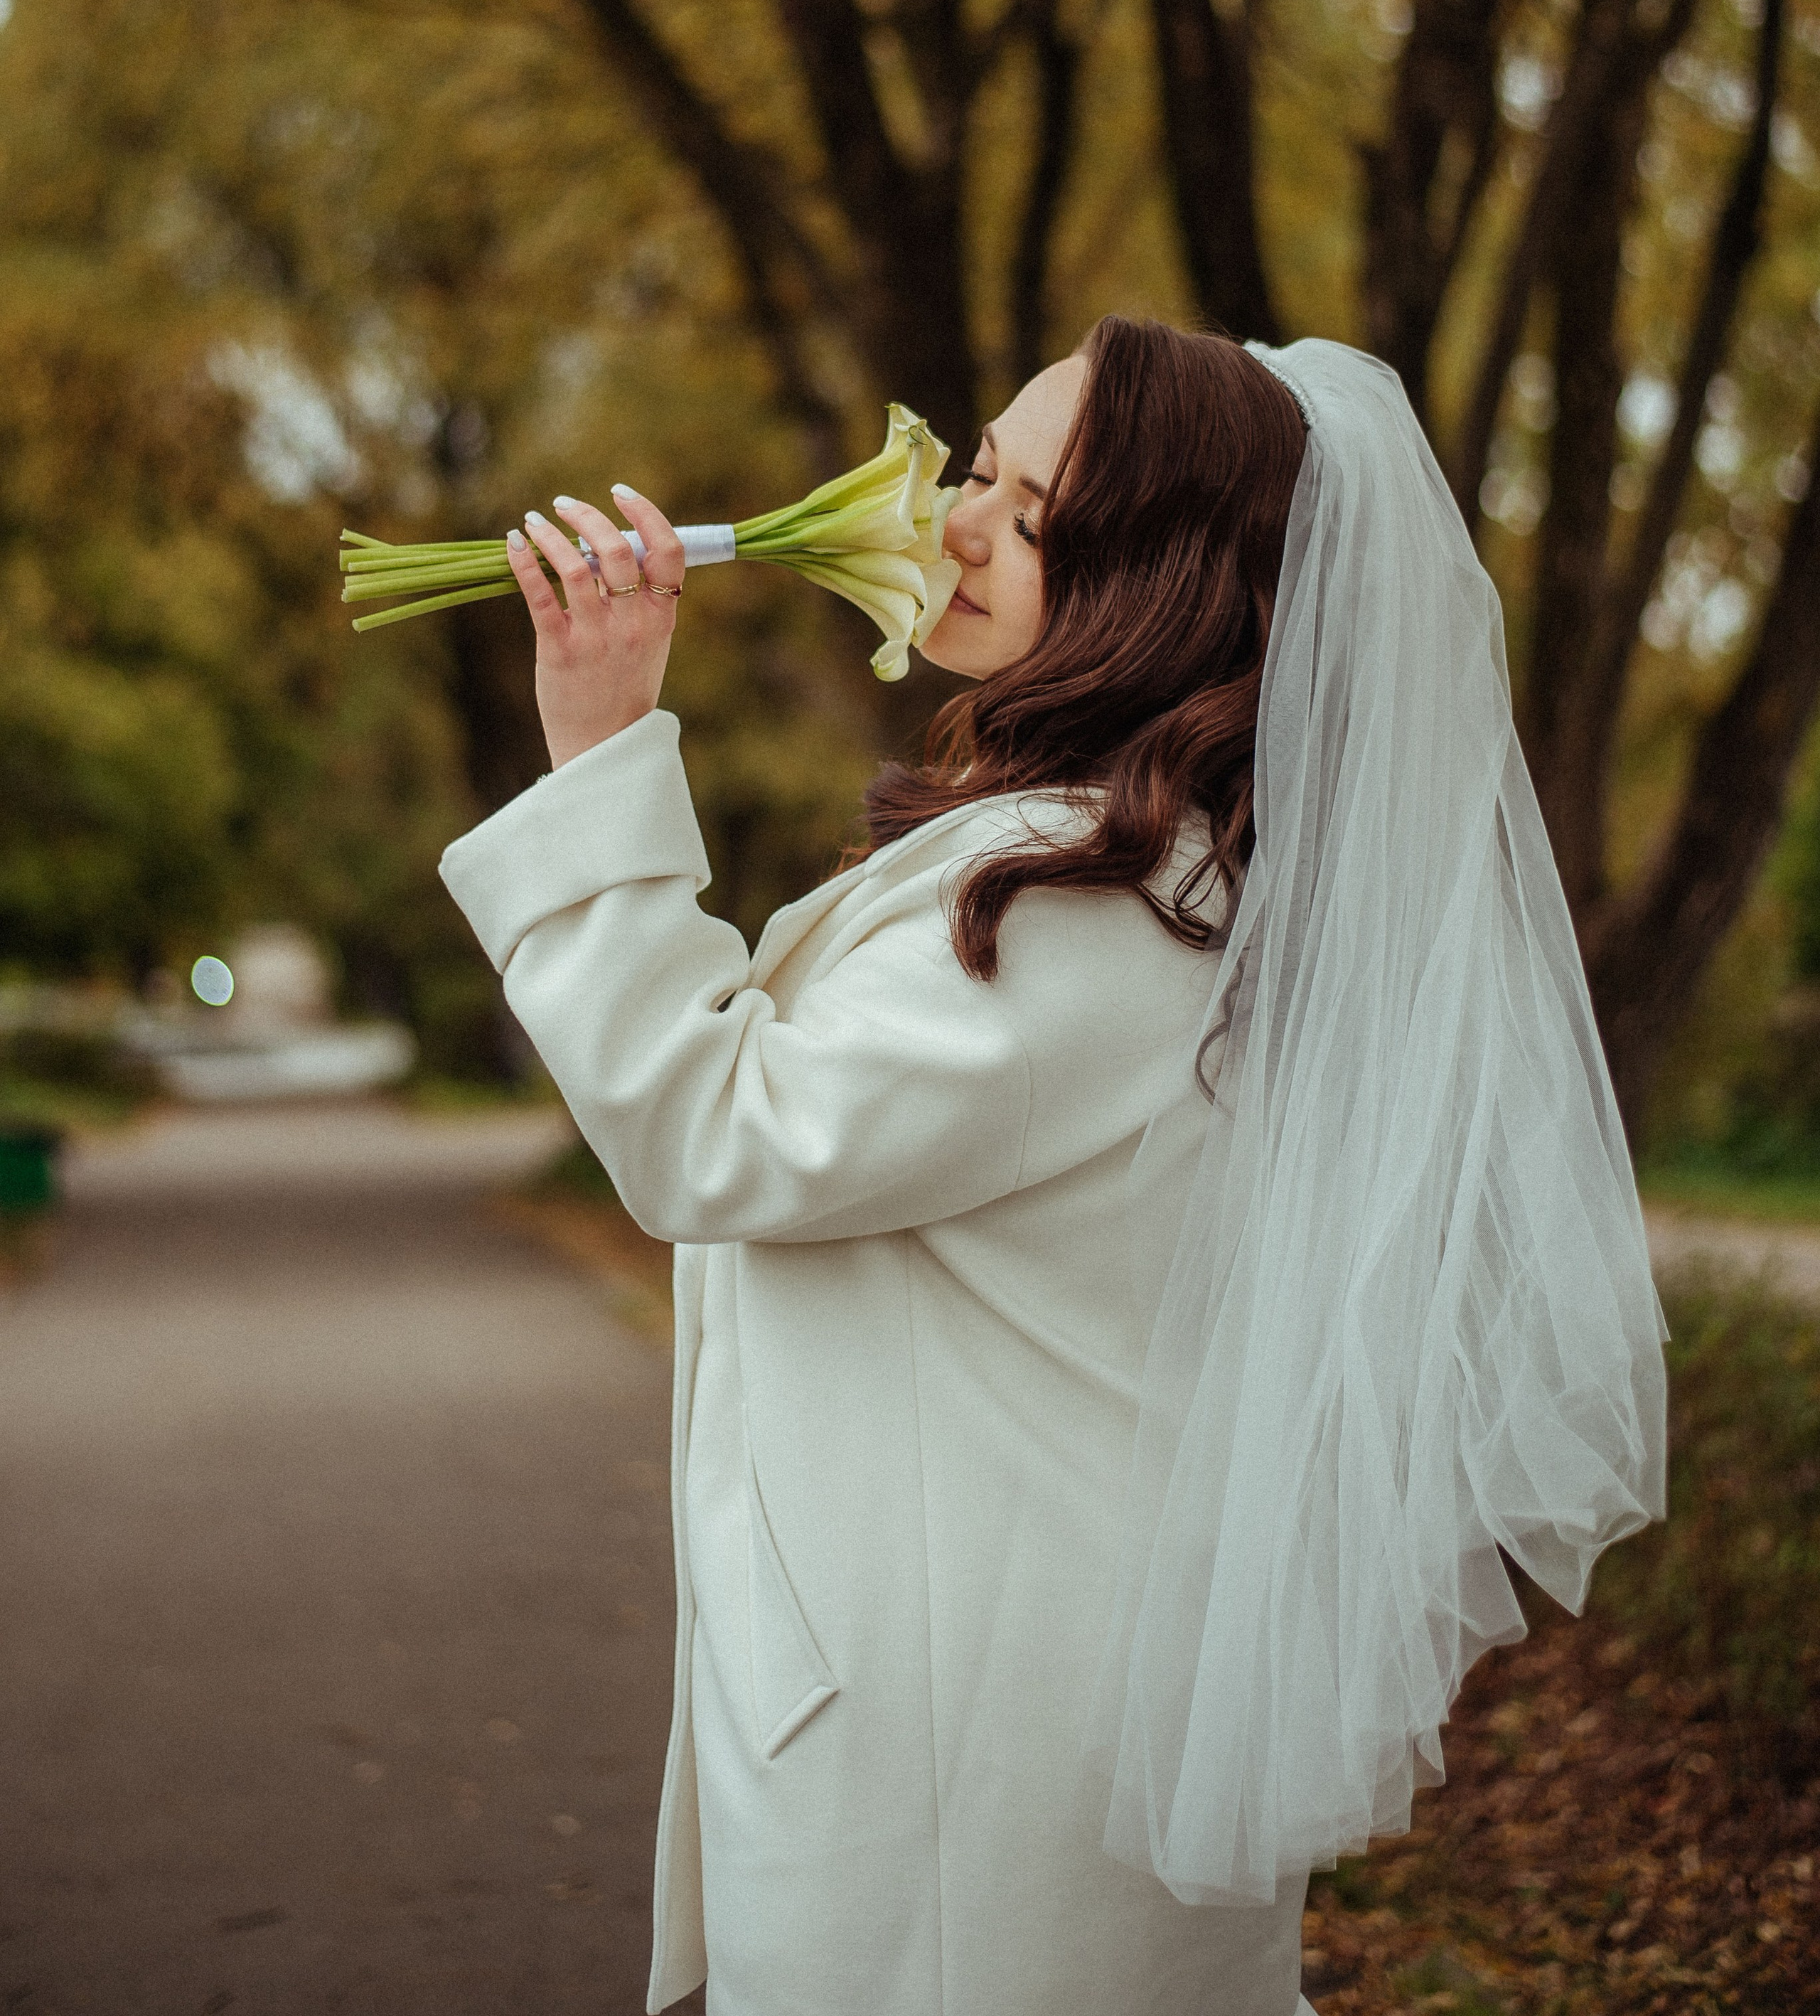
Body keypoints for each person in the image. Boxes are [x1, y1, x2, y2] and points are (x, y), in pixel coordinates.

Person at [440, 320, 1666, 2016]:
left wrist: (597, 750)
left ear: (1151, 588)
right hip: (1001, 1673)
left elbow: (714, 1131)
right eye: (979, 467)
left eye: (1021, 514)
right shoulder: (1129, 868)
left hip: (974, 1733)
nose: (950, 519)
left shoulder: (1095, 909)